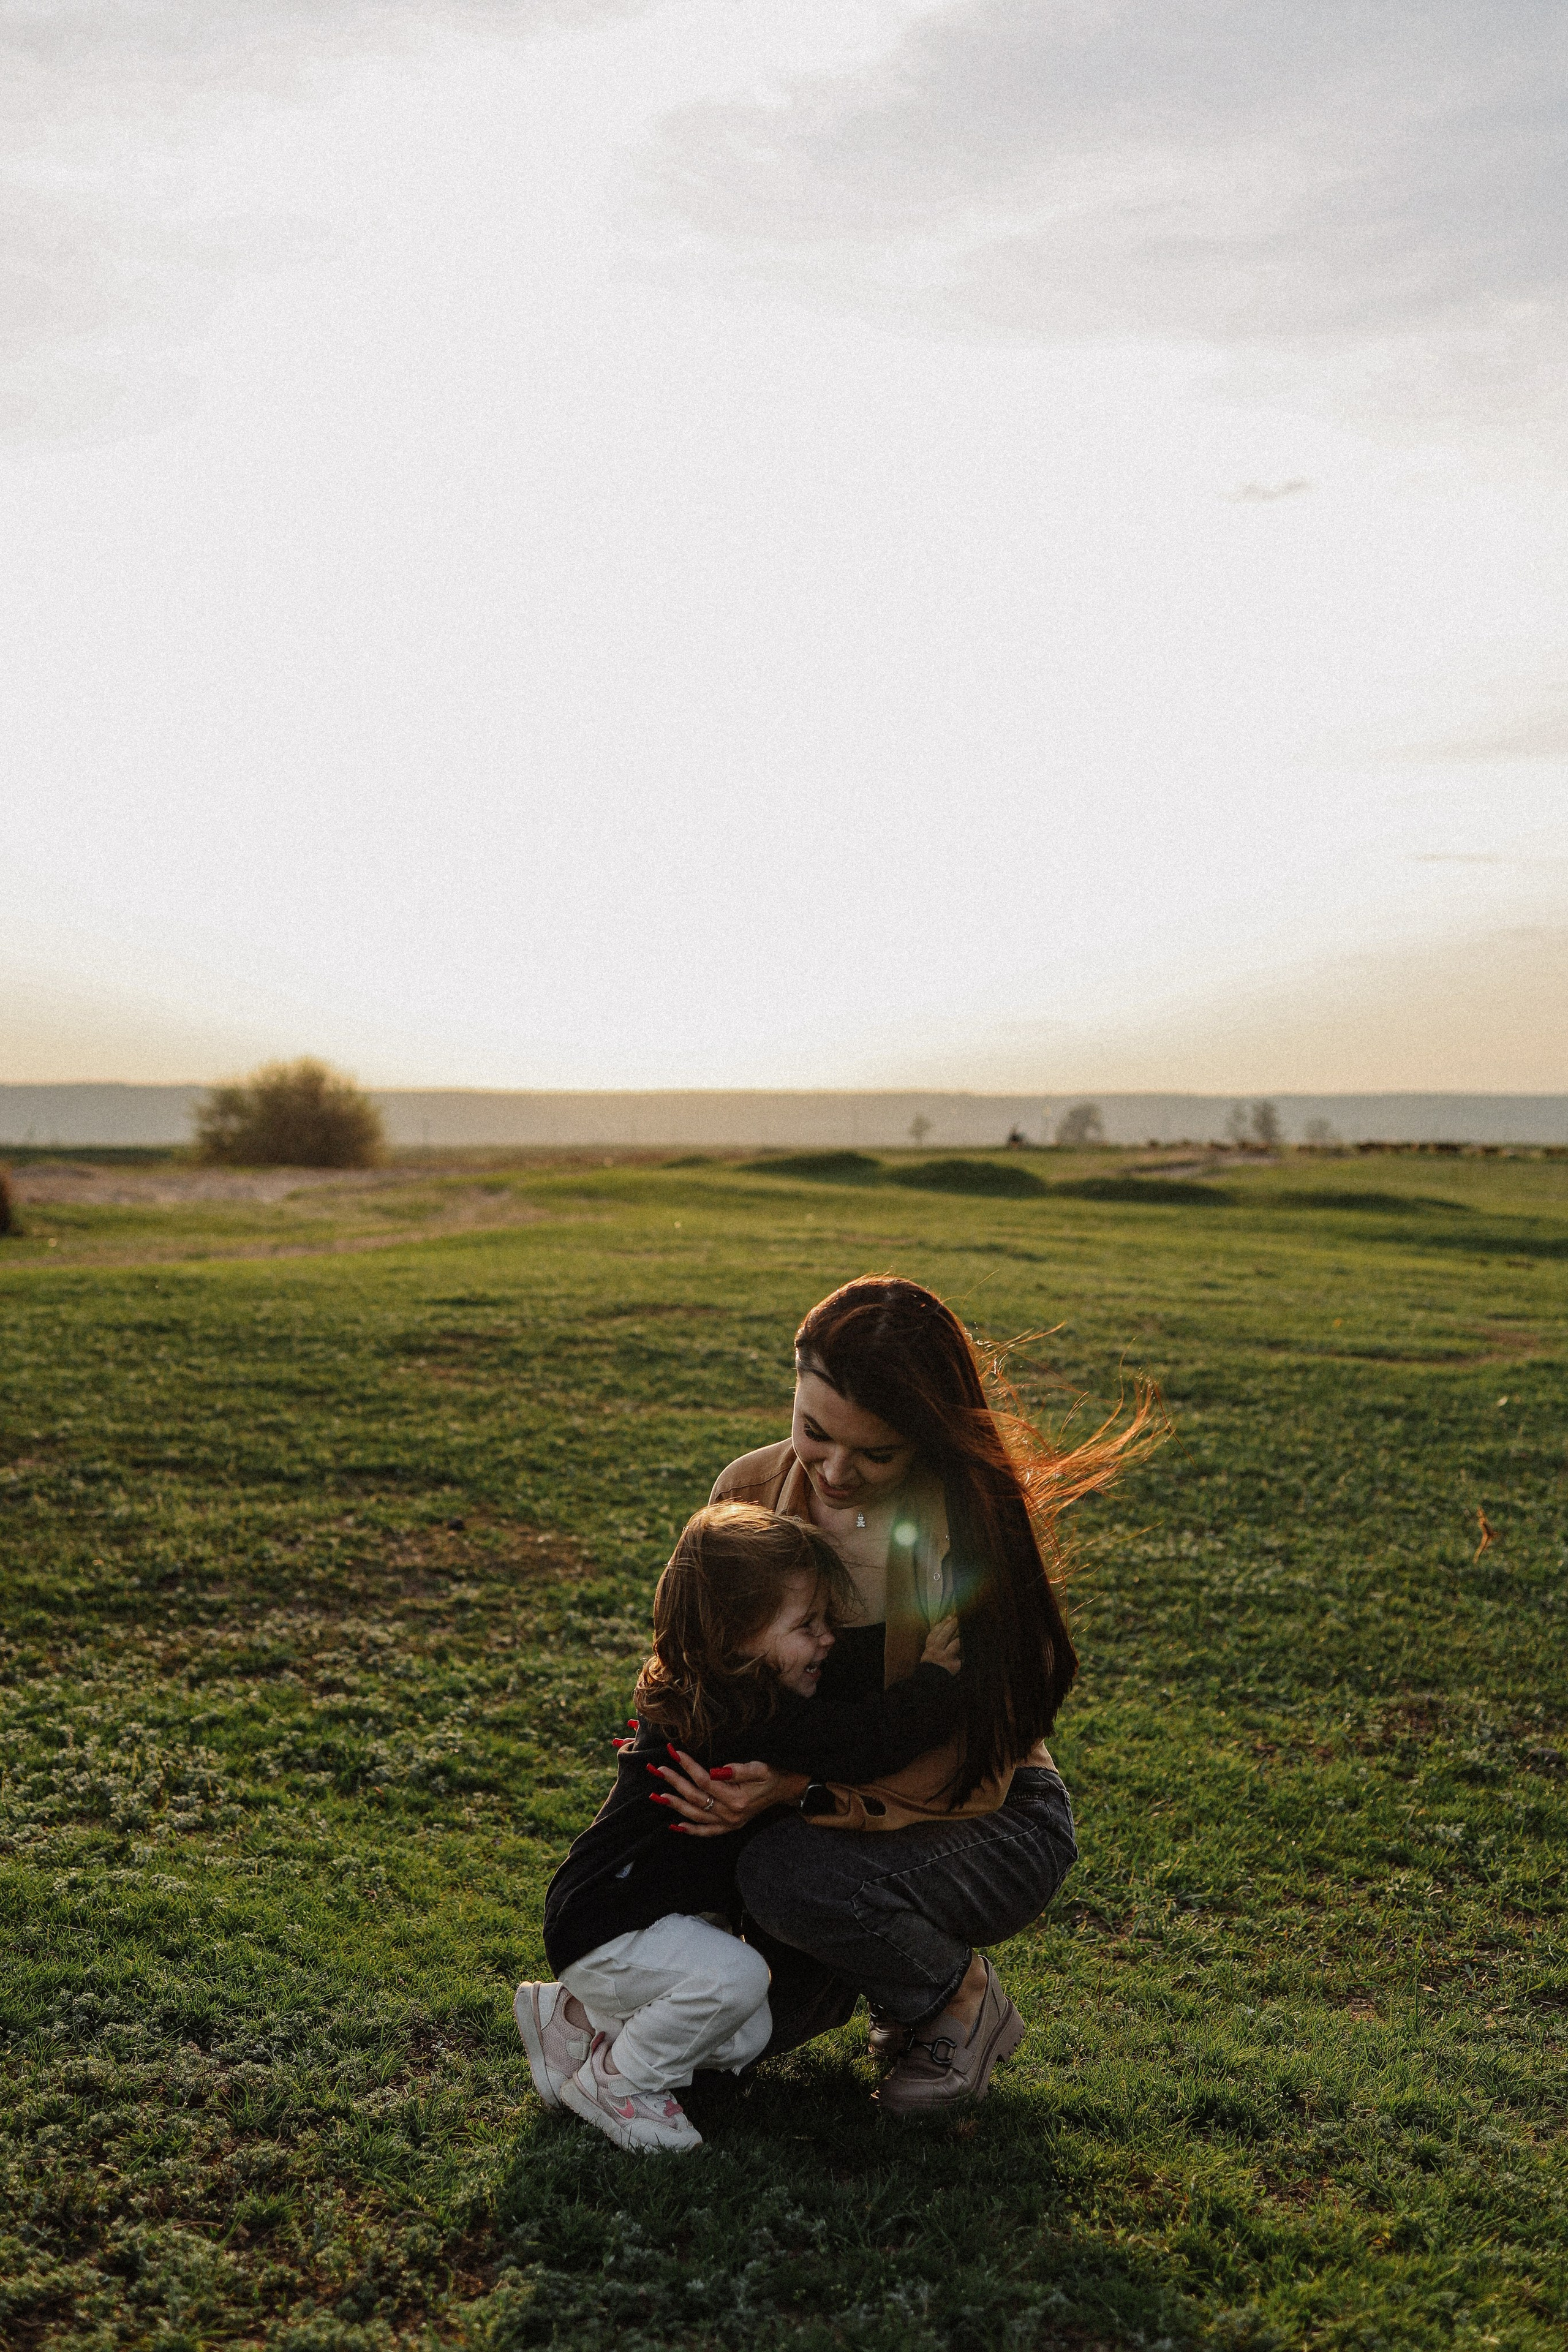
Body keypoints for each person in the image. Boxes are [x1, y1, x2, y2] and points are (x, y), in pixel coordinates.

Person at [654, 1275, 1161, 2115]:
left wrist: (794, 1792)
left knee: (786, 1878)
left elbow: (965, 1760)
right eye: (813, 1432)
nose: (837, 1471)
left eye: (876, 1453)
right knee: (719, 2045)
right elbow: (698, 1683)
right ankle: (873, 1985)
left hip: (982, 1817)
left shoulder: (967, 1538)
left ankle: (954, 1999)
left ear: (923, 1441)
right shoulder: (743, 1497)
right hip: (797, 1817)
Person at [514, 1499, 963, 2152]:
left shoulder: (729, 1694)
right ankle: (620, 2082)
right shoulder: (743, 1718)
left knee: (747, 2032)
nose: (827, 1640)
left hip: (635, 1921)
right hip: (614, 1920)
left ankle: (574, 2018)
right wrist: (934, 1682)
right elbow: (864, 1742)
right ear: (736, 1638)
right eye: (806, 1625)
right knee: (739, 1980)